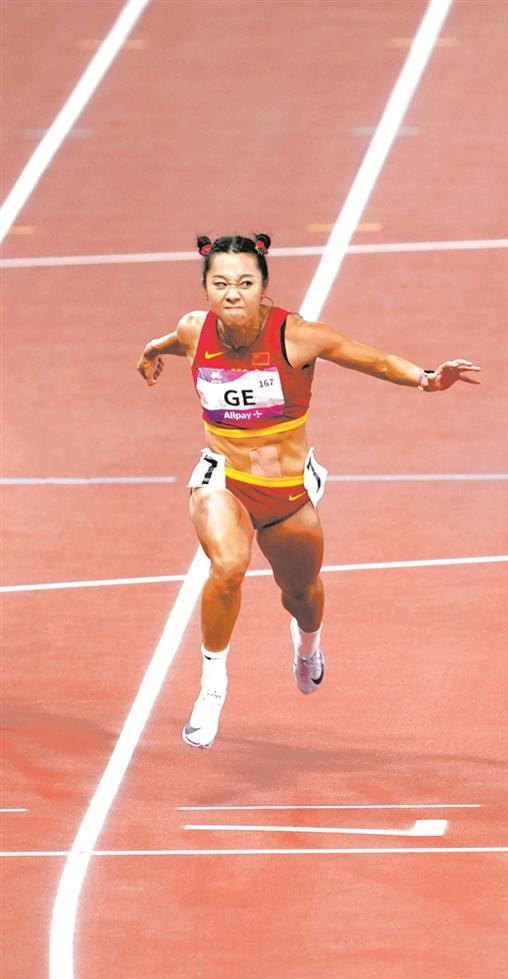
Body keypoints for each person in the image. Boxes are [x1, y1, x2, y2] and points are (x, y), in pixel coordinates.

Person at [137, 232, 480, 749]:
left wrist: (428, 379)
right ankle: (212, 686)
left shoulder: (296, 337)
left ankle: (307, 647)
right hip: (224, 481)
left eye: (245, 282)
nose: (233, 293)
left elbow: (372, 358)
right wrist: (149, 352)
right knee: (228, 565)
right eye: (221, 283)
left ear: (263, 287)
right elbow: (169, 341)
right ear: (206, 289)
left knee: (303, 596)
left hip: (286, 494)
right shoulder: (193, 330)